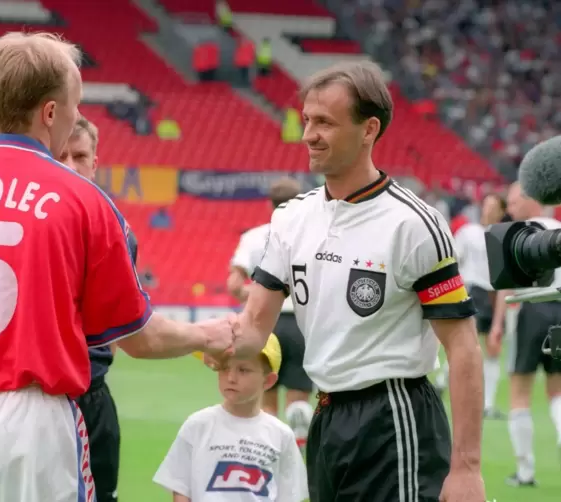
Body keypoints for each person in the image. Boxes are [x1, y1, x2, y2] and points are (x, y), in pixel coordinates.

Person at [0, 32, 233, 502]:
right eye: (73, 106)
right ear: (50, 113)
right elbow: (139, 338)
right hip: (31, 423)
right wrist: (209, 334)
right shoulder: (85, 201)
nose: (74, 117)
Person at [224, 61, 485, 501]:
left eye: (324, 122)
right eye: (307, 120)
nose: (309, 134)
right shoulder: (290, 218)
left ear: (369, 129)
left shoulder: (414, 224)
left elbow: (462, 347)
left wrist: (466, 469)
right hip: (326, 419)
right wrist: (186, 338)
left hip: (393, 418)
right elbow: (252, 328)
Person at [57, 116, 127, 502]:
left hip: (94, 396)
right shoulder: (34, 224)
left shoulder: (116, 228)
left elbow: (116, 325)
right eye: (62, 155)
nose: (71, 165)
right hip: (41, 398)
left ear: (95, 163)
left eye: (80, 156)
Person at [153, 334, 308, 501]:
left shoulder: (281, 435)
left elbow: (289, 496)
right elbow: (181, 488)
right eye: (225, 368)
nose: (231, 378)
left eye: (243, 370)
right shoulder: (198, 425)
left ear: (268, 381)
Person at [226, 176, 314, 449]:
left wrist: (256, 295)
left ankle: (269, 449)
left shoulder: (254, 237)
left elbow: (234, 284)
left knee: (266, 395)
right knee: (299, 398)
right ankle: (298, 439)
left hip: (264, 324)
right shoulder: (311, 238)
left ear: (270, 204)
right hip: (300, 321)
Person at [488, 181, 561, 487]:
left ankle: (525, 471)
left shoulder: (516, 234)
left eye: (515, 202)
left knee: (519, 394)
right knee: (557, 394)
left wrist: (496, 324)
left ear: (531, 201)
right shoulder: (557, 228)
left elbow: (505, 284)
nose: (511, 208)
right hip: (560, 310)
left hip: (530, 311)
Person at [436, 193, 509, 419]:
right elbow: (454, 262)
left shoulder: (504, 237)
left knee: (493, 349)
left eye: (493, 206)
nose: (488, 210)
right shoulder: (468, 233)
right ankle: (441, 381)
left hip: (494, 294)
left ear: (501, 211)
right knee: (466, 345)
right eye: (486, 205)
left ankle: (487, 404)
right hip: (473, 290)